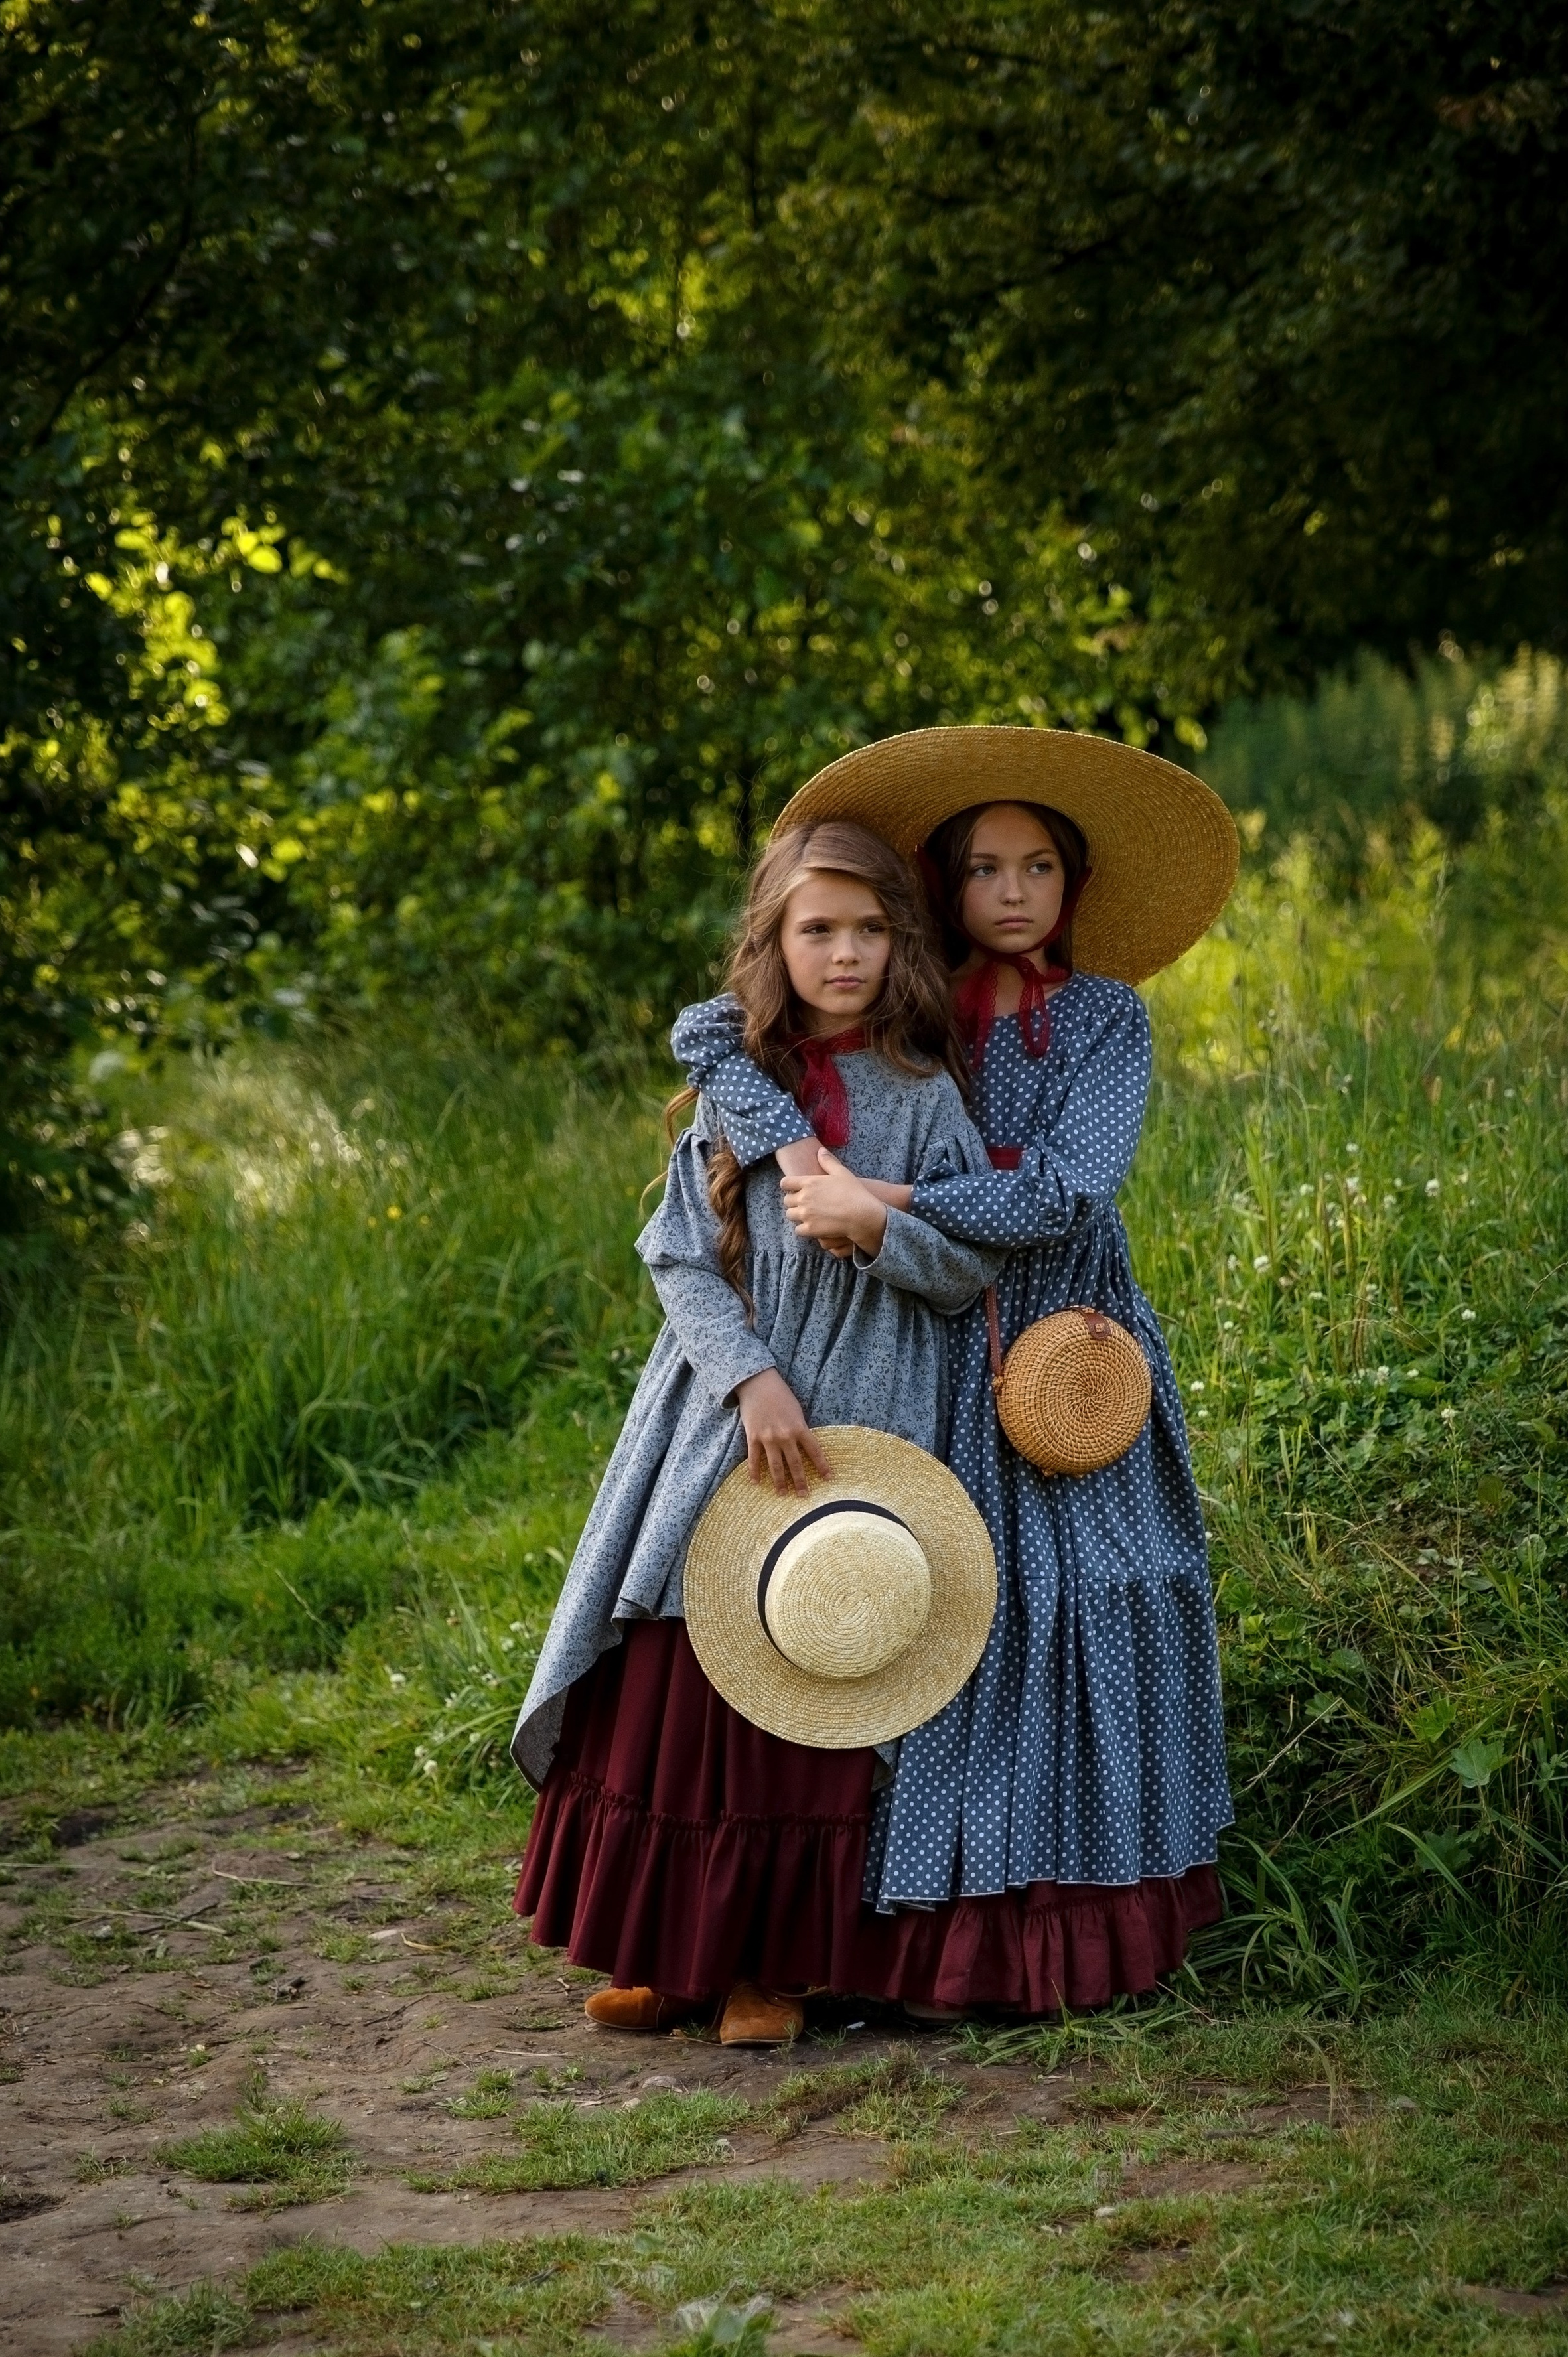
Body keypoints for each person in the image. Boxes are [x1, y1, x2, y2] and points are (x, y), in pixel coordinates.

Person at [673, 726, 1236, 2015]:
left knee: (1097, 1591)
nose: (1012, 891)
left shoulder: (1104, 1018)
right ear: (943, 882)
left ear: (1071, 883)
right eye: (982, 867)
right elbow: (717, 1031)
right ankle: (913, 1944)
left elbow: (1062, 1192)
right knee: (950, 1614)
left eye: (1037, 865)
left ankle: (1085, 1925)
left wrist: (873, 1194)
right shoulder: (909, 1006)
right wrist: (795, 1165)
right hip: (923, 1332)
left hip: (1063, 1343)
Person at [509, 816, 997, 2044]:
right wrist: (748, 1378)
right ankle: (672, 1956)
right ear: (773, 942)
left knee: (814, 1657)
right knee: (684, 1656)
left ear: (903, 944)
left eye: (872, 930)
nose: (846, 954)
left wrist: (881, 1228)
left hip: (865, 1416)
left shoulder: (927, 1096)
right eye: (818, 928)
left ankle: (770, 1971)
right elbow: (676, 1250)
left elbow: (967, 1264)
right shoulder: (741, 1089)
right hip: (730, 1408)